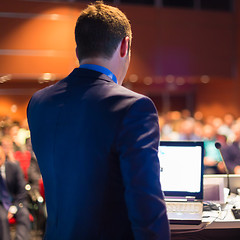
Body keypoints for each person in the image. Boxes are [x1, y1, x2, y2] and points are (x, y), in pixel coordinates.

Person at [27, 1, 170, 240]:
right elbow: (146, 206)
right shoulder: (134, 107)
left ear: (77, 50)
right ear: (125, 46)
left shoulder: (39, 102)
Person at [0, 145, 31, 240]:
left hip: (16, 202)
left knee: (24, 214)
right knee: (2, 217)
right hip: (1, 205)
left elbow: (22, 190)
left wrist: (14, 207)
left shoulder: (14, 166)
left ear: (3, 156)